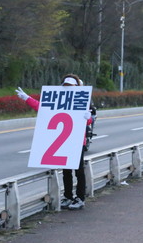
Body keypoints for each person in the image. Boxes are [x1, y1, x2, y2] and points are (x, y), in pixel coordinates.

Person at [15, 74, 92, 210]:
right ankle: (68, 196)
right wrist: (27, 98)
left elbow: (89, 119)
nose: (68, 89)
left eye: (71, 86)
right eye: (66, 86)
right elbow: (42, 107)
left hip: (77, 141)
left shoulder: (82, 99)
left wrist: (88, 117)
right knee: (66, 171)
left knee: (79, 170)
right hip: (63, 141)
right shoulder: (58, 99)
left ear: (76, 87)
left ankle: (80, 198)